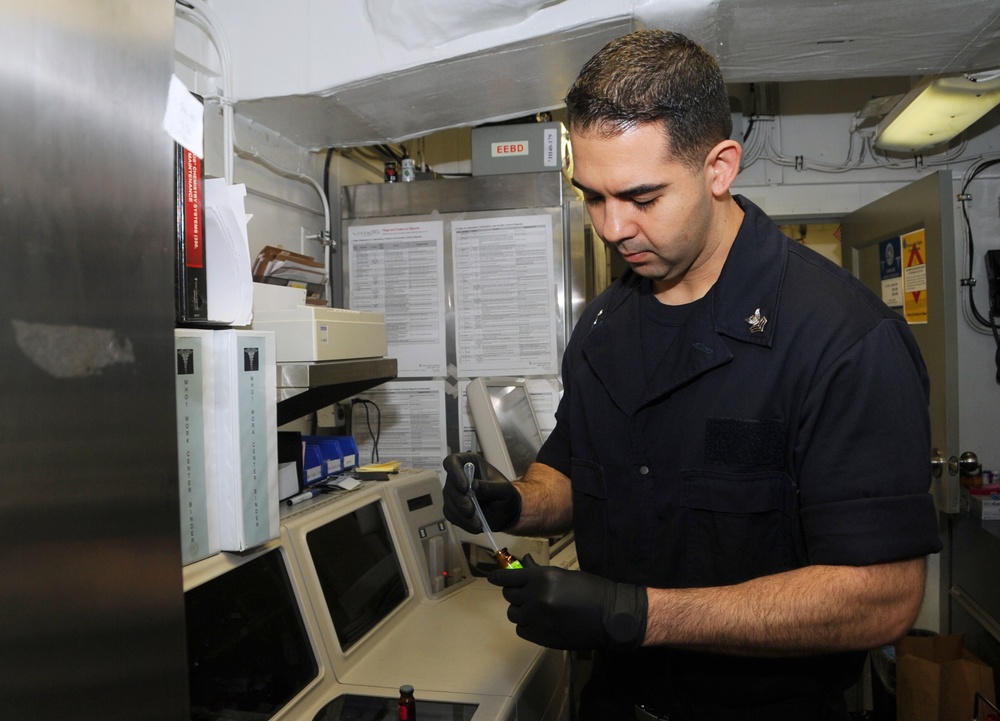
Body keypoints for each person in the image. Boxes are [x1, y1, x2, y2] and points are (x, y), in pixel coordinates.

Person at [443, 29, 942, 721]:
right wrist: (516, 502)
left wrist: (635, 613)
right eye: (592, 196)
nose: (612, 227)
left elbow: (883, 596)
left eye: (642, 197)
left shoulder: (843, 339)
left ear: (719, 168)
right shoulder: (602, 326)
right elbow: (577, 471)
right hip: (618, 701)